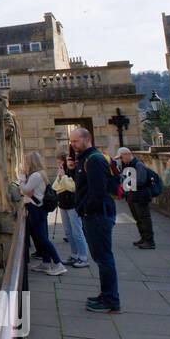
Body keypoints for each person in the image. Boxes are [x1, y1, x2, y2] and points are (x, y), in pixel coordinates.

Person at [70, 126, 119, 312]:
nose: (72, 145)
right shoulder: (85, 159)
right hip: (94, 214)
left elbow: (97, 192)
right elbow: (83, 186)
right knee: (101, 258)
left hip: (98, 215)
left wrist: (84, 209)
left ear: (87, 139)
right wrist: (72, 169)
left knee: (104, 258)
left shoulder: (94, 160)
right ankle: (106, 295)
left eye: (75, 141)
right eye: (71, 141)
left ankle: (110, 300)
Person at [20, 152, 65, 275]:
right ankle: (46, 263)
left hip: (36, 208)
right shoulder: (41, 174)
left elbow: (24, 189)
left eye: (25, 161)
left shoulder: (35, 175)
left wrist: (22, 176)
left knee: (42, 238)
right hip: (39, 208)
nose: (24, 164)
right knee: (42, 237)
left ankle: (58, 264)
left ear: (30, 162)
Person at [53, 150, 89, 267]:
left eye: (60, 162)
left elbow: (72, 187)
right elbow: (56, 187)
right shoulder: (62, 171)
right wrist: (61, 179)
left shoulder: (73, 171)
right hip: (63, 204)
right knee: (68, 232)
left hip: (73, 204)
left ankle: (83, 257)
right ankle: (74, 254)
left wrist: (63, 178)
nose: (59, 165)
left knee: (77, 231)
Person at [117, 147, 156, 249]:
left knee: (144, 218)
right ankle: (143, 238)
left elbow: (141, 180)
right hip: (132, 195)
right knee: (138, 218)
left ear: (127, 154)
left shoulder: (138, 164)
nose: (121, 160)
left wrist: (127, 182)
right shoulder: (128, 165)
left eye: (121, 157)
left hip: (141, 195)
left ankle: (150, 241)